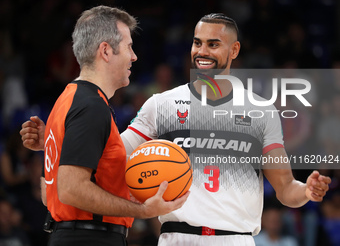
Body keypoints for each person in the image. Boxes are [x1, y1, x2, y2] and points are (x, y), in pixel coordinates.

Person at [21, 13, 330, 246]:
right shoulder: (161, 104)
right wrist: (59, 141)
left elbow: (286, 189)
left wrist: (307, 190)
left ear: (234, 50)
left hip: (236, 238)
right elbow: (109, 156)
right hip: (176, 238)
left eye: (213, 44)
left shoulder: (262, 111)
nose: (202, 51)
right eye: (197, 43)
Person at [20, 5, 188, 246]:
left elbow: (51, 196)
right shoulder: (90, 106)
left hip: (72, 235)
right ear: (106, 51)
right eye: (129, 46)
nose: (134, 56)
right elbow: (70, 190)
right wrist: (142, 211)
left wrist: (52, 147)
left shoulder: (67, 100)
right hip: (91, 238)